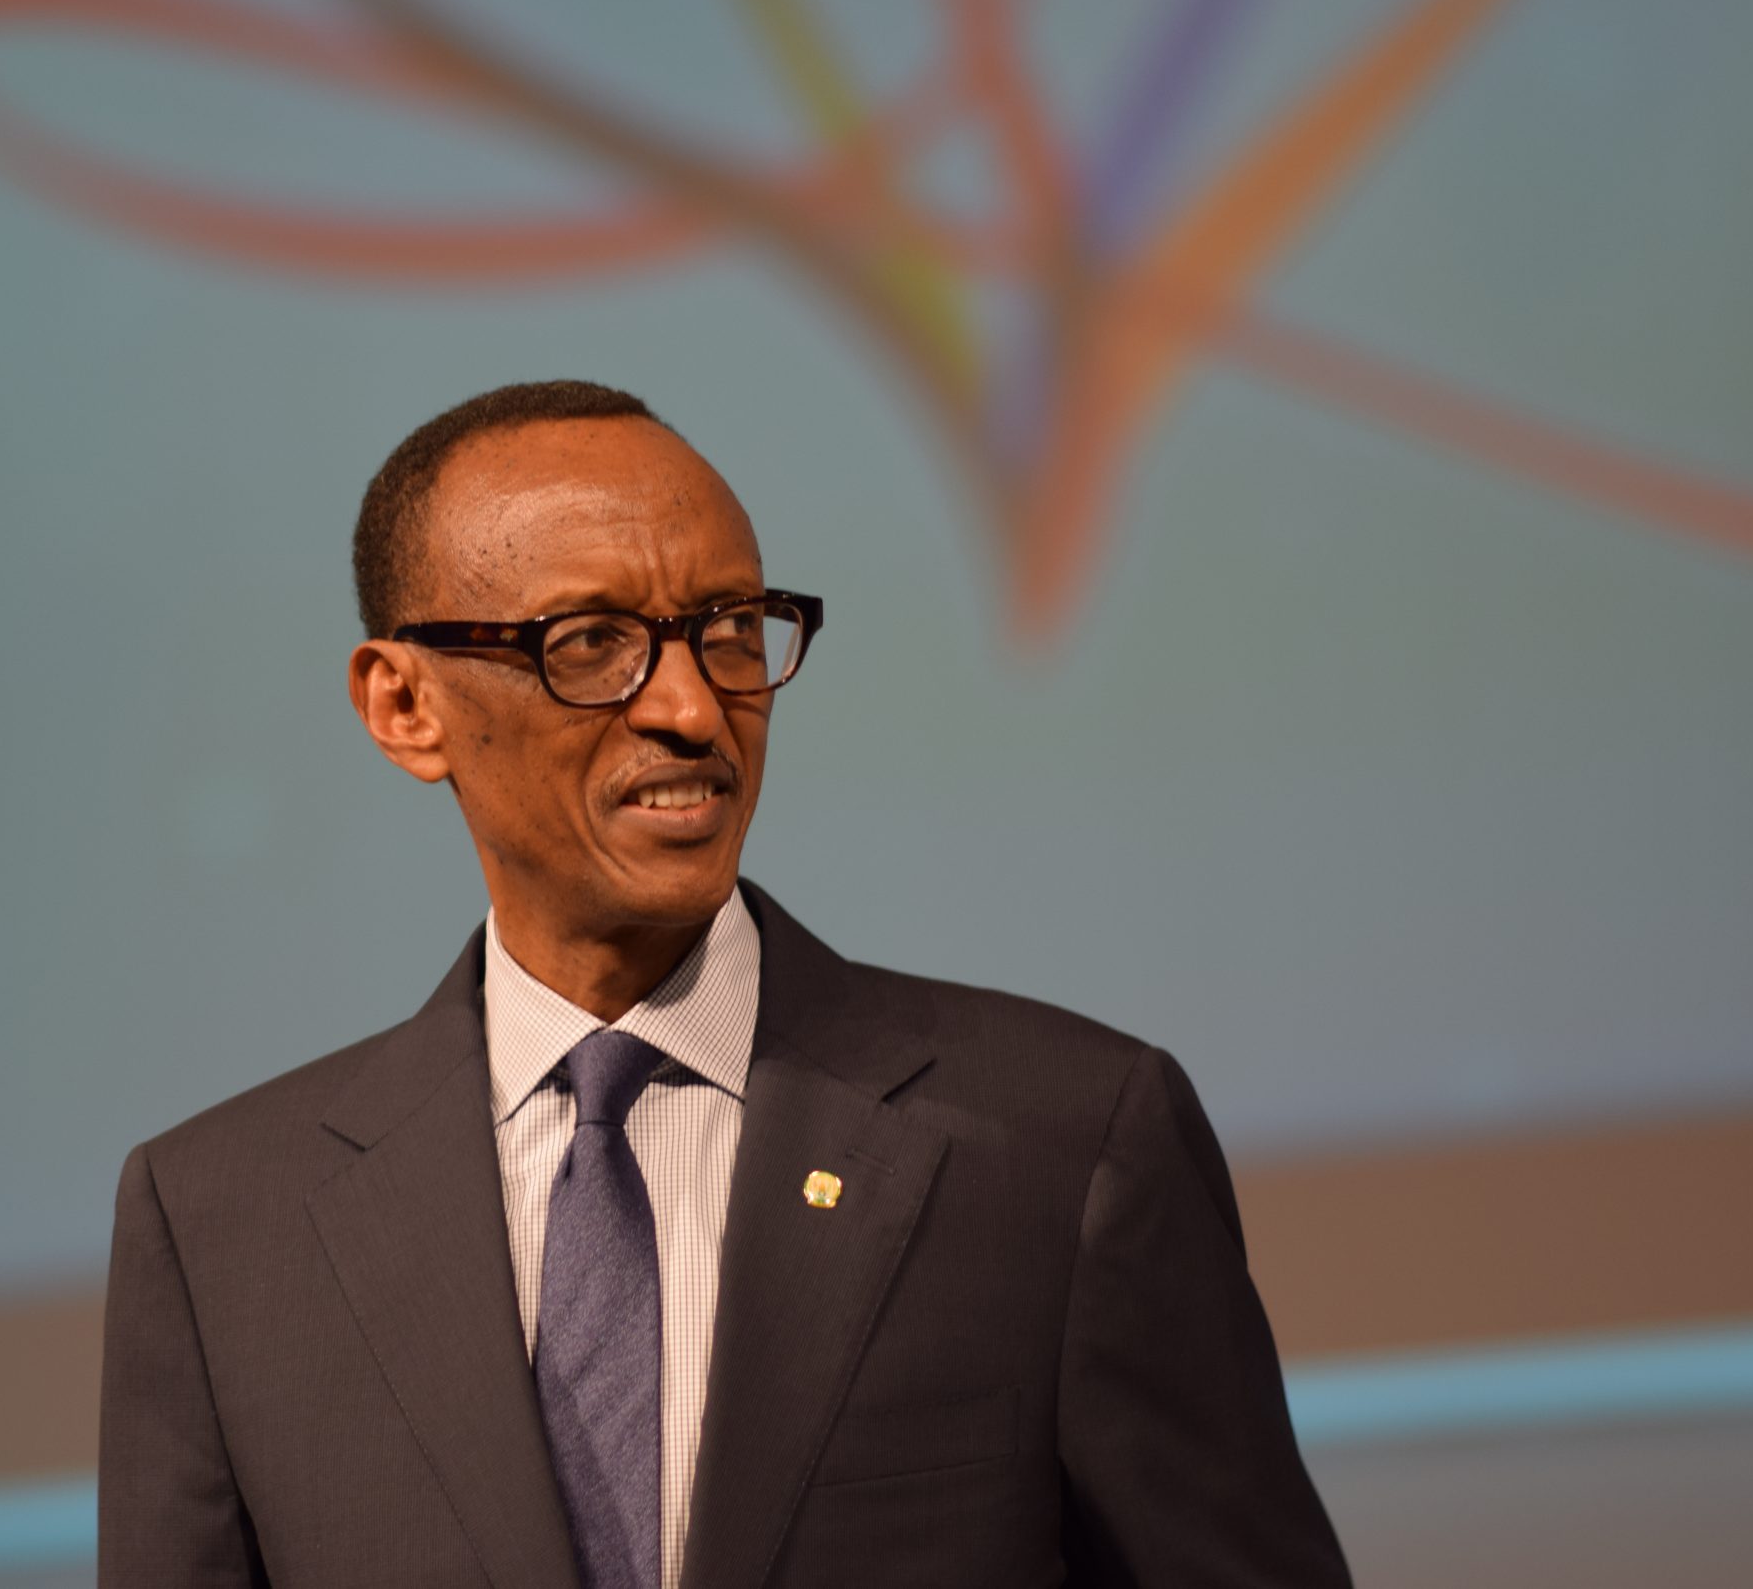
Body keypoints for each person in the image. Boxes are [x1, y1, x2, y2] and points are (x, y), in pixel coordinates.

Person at [98, 380, 1350, 1588]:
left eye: (730, 630)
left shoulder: (1064, 1142)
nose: (694, 709)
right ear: (404, 704)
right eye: (592, 643)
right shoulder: (222, 1231)